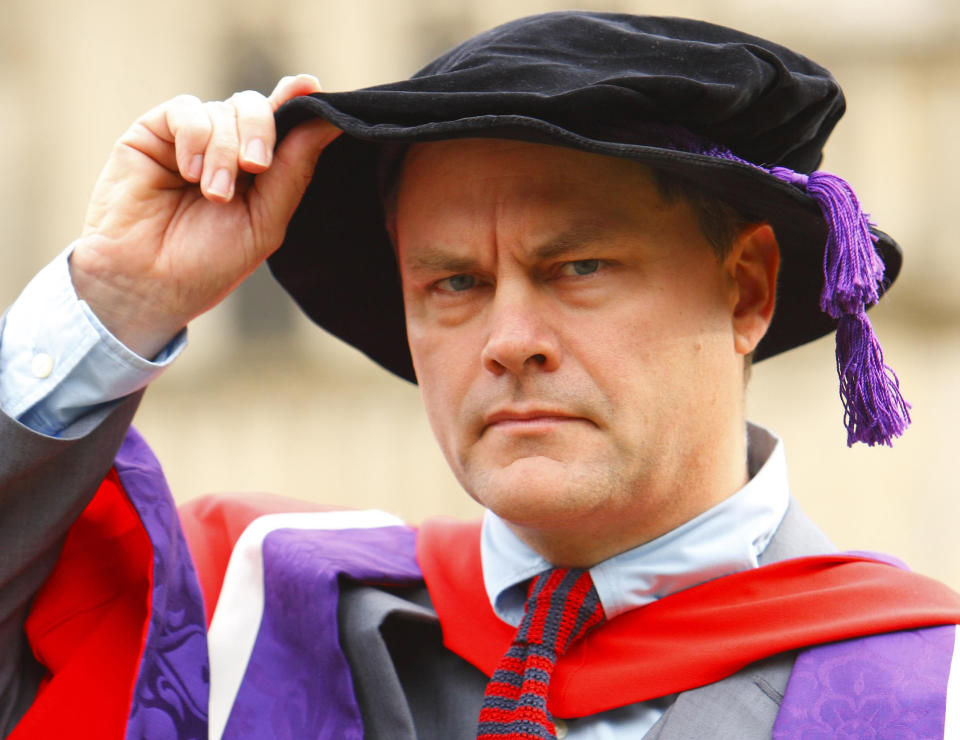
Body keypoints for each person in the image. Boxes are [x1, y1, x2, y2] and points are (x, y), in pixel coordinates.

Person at [0, 11, 958, 740]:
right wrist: (119, 298)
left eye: (575, 268)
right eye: (453, 281)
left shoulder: (929, 694)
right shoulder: (241, 622)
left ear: (745, 290)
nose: (509, 340)